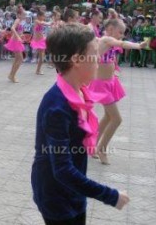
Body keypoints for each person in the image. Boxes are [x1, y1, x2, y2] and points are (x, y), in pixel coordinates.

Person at [31, 24, 130, 225]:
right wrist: (110, 195)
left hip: (73, 188)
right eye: (95, 54)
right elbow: (62, 169)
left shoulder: (78, 90)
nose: (99, 60)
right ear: (76, 60)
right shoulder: (56, 106)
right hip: (55, 195)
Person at [90, 17, 147, 165]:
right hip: (101, 85)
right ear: (109, 29)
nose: (121, 35)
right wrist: (138, 45)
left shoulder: (106, 39)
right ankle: (101, 148)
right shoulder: (106, 39)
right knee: (117, 119)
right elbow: (122, 43)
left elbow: (116, 48)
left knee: (108, 117)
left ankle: (92, 145)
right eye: (120, 32)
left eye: (123, 32)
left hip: (109, 82)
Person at [5, 9, 26, 83]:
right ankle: (12, 75)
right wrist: (18, 37)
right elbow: (12, 28)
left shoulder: (21, 21)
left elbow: (18, 31)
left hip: (17, 41)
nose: (25, 16)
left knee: (17, 59)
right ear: (19, 15)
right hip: (15, 41)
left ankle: (11, 75)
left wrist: (21, 35)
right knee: (20, 59)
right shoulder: (17, 20)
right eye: (24, 14)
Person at [31, 9, 50, 75]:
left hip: (41, 40)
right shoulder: (36, 21)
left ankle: (38, 70)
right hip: (37, 41)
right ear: (39, 16)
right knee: (41, 57)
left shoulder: (41, 21)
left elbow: (40, 31)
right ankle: (38, 70)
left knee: (42, 57)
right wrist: (49, 23)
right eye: (43, 16)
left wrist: (44, 36)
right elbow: (42, 23)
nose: (44, 17)